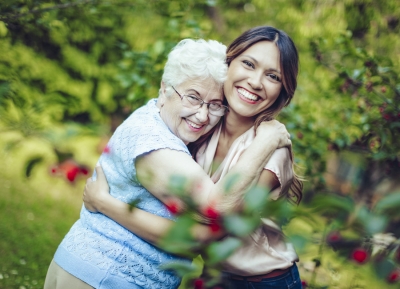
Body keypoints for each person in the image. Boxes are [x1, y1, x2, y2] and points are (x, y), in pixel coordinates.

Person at [44, 37, 292, 289]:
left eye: (215, 105)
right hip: (104, 275)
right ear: (165, 88)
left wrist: (106, 204)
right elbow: (211, 217)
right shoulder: (156, 141)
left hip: (262, 281)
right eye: (193, 98)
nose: (203, 114)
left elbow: (207, 234)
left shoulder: (197, 135)